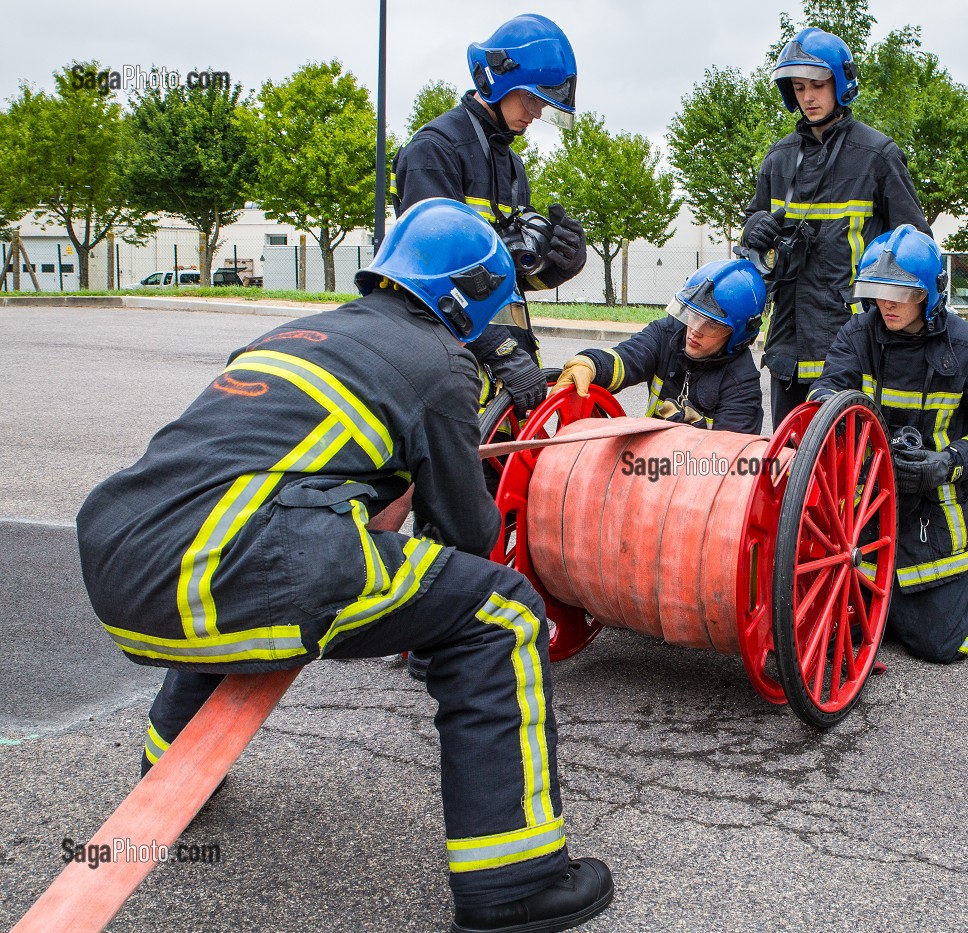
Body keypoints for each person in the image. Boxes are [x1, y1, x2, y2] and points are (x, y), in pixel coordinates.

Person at [74, 200, 614, 933]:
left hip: (124, 562)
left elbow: (271, 470)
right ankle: (514, 880)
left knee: (239, 574)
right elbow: (466, 532)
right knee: (503, 609)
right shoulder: (438, 361)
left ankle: (172, 776)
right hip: (232, 564)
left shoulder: (295, 333)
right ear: (471, 296)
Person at [808, 225, 968, 664]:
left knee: (940, 644)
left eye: (899, 293)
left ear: (929, 293)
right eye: (877, 290)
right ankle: (895, 602)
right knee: (832, 632)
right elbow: (826, 392)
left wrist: (946, 463)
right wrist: (836, 410)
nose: (886, 303)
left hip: (936, 509)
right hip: (864, 510)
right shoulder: (857, 335)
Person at [392, 13, 589, 417]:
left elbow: (505, 278)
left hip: (501, 378)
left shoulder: (511, 165)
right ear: (498, 79)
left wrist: (554, 267)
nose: (534, 113)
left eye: (542, 103)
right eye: (530, 98)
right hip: (446, 376)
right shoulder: (435, 152)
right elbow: (431, 279)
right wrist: (503, 354)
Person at [739, 26, 930, 429]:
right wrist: (753, 228)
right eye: (799, 87)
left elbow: (915, 244)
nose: (808, 97)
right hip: (788, 341)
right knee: (791, 459)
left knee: (849, 468)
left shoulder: (877, 155)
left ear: (841, 84)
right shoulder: (778, 159)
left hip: (855, 337)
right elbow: (753, 239)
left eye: (818, 85)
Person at [552, 259, 766, 433]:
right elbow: (628, 357)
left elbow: (730, 465)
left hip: (692, 476)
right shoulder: (667, 334)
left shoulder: (742, 386)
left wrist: (690, 437)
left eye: (711, 324)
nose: (694, 330)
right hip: (647, 462)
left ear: (737, 335)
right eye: (693, 314)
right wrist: (591, 364)